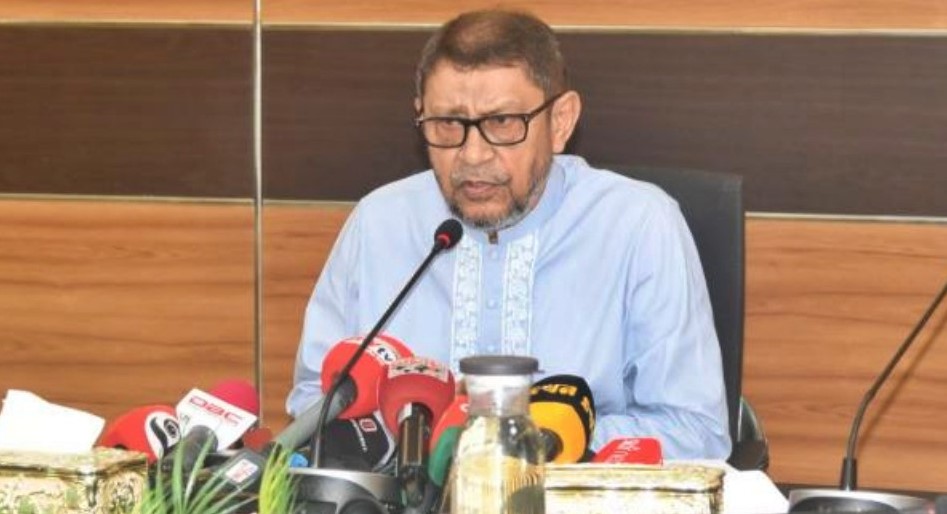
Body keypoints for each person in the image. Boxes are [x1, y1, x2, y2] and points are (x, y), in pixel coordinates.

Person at [287, 9, 730, 459]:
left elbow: (695, 432)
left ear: (560, 121)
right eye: (448, 124)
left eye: (501, 123)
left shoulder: (638, 225)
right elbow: (314, 403)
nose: (472, 155)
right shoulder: (378, 222)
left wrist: (525, 441)